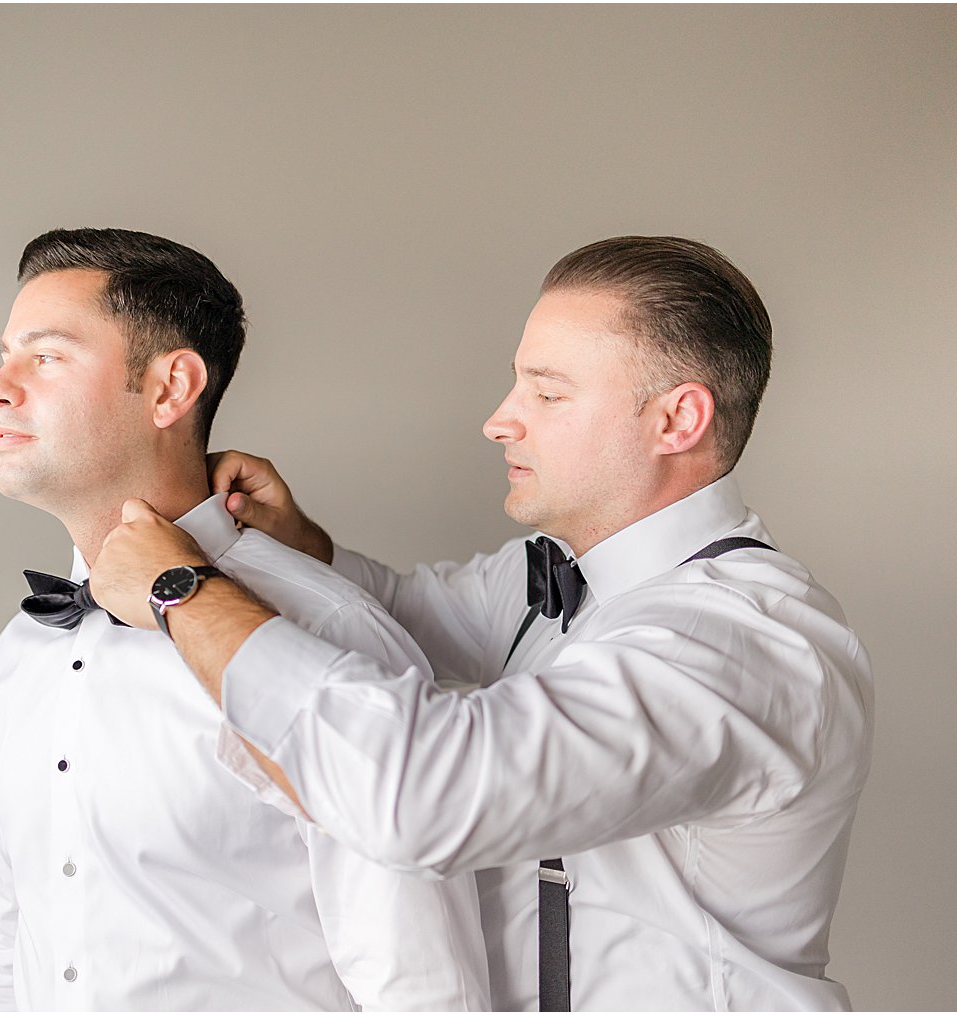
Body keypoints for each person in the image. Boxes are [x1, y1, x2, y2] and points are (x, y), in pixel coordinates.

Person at [89, 236, 875, 1011]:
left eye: (548, 392)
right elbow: (400, 617)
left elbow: (421, 795)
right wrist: (300, 546)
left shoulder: (744, 644)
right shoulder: (546, 571)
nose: (500, 421)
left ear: (678, 419)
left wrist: (179, 590)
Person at [0, 227, 490, 1011]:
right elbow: (3, 929)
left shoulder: (327, 630)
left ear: (172, 388)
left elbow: (421, 982)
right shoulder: (21, 651)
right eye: (6, 354)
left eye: (45, 356)